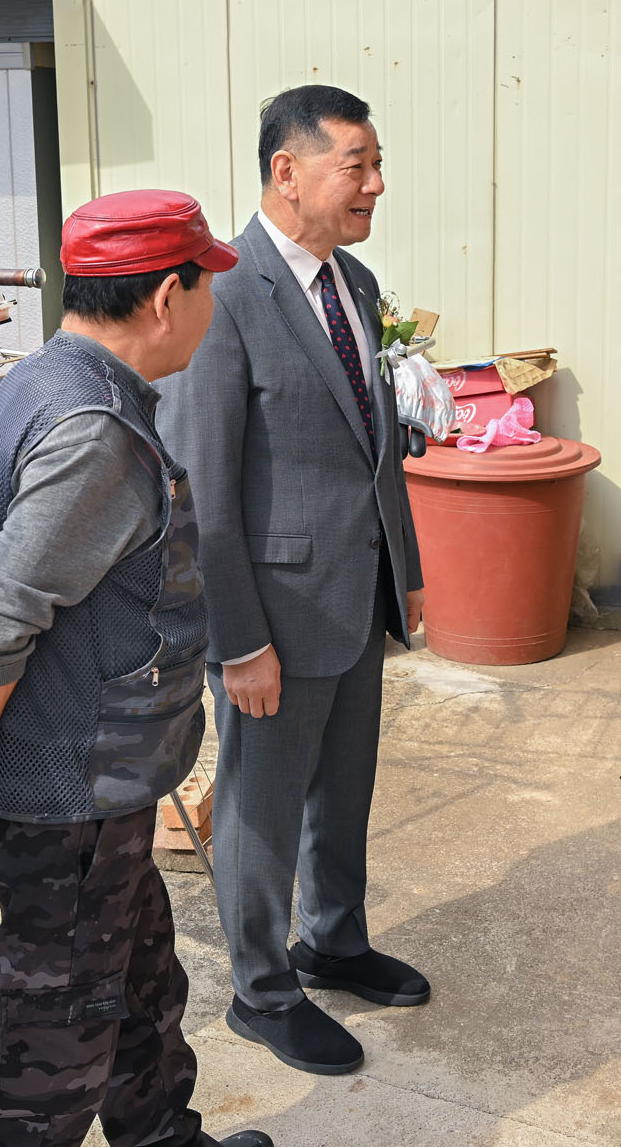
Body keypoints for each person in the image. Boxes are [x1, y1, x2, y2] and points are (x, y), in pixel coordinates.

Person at [0, 190, 271, 1147]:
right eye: (207, 286)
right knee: (44, 1065)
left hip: (97, 794)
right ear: (167, 298)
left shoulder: (38, 380)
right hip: (68, 803)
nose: (212, 307)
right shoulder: (96, 428)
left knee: (140, 992)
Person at [156, 85, 427, 1077]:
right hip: (271, 614)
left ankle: (334, 941)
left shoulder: (355, 280)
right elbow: (204, 489)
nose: (375, 183)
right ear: (287, 170)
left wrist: (406, 569)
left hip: (356, 595)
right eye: (357, 163)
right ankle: (262, 990)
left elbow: (374, 449)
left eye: (376, 163)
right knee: (261, 810)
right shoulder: (223, 294)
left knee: (344, 788)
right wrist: (238, 640)